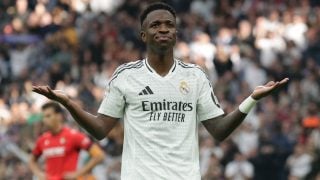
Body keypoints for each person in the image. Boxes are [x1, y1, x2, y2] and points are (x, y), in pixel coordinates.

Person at [32, 2, 289, 179]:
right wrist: (67, 102)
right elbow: (100, 130)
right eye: (155, 25)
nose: (163, 28)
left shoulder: (196, 76)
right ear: (143, 35)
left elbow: (219, 130)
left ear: (176, 33)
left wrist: (251, 99)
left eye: (169, 24)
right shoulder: (126, 75)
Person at [28, 102, 105, 180]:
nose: (44, 120)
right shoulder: (42, 140)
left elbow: (99, 155)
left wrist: (78, 173)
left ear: (59, 116)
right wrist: (39, 174)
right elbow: (31, 160)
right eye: (43, 117)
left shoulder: (73, 136)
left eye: (48, 116)